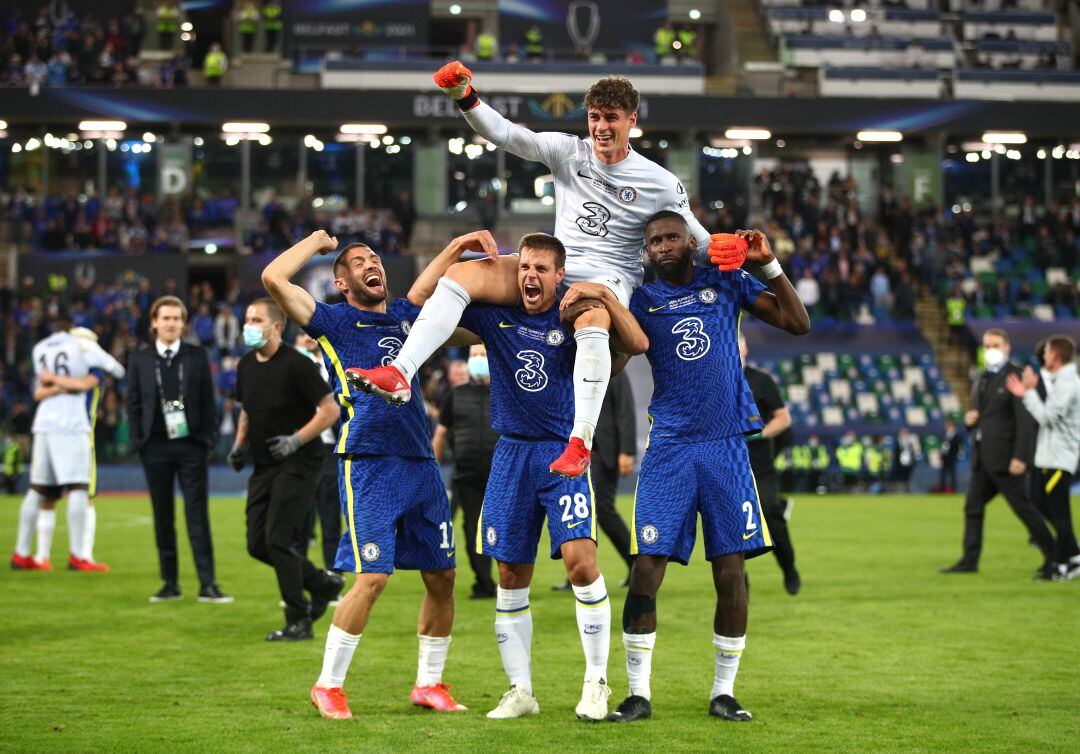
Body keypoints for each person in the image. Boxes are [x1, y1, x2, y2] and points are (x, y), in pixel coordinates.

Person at [349, 67, 711, 482]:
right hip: (556, 267)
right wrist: (466, 96)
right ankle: (400, 372)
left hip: (610, 279)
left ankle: (580, 442)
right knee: (464, 275)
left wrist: (735, 251)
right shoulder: (568, 152)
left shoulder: (659, 181)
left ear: (632, 120)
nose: (601, 127)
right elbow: (505, 133)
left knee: (591, 318)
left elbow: (695, 238)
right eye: (594, 116)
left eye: (611, 117)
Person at [401, 231, 647, 721]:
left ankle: (596, 681)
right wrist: (453, 253)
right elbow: (422, 301)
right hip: (510, 456)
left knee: (582, 564)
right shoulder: (495, 317)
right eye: (525, 268)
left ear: (561, 276)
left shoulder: (576, 320)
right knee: (510, 576)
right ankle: (521, 691)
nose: (530, 276)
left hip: (562, 456)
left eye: (541, 269)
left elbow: (634, 345)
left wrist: (601, 295)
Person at [262, 230, 476, 720]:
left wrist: (456, 246)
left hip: (421, 464)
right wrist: (316, 242)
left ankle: (428, 683)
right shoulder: (333, 321)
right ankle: (328, 686)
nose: (370, 264)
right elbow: (274, 278)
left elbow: (426, 288)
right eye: (358, 262)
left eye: (375, 257)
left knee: (442, 576)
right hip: (369, 465)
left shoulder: (404, 317)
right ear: (341, 282)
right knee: (373, 576)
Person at [609, 213, 809, 724]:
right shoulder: (640, 301)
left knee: (731, 573)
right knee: (646, 568)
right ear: (646, 251)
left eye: (671, 236)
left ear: (690, 240)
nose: (663, 246)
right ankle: (637, 693)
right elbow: (612, 357)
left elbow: (796, 322)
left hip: (727, 447)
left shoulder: (724, 281)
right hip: (670, 448)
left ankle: (724, 692)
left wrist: (768, 266)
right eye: (654, 241)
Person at [229, 298, 343, 641]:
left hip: (300, 461)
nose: (249, 324)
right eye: (247, 318)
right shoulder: (246, 365)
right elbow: (247, 409)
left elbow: (329, 410)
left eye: (257, 319)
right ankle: (322, 582)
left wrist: (296, 440)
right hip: (264, 464)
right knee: (256, 544)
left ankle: (299, 619)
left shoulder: (297, 364)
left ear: (276, 327)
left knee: (277, 540)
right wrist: (240, 443)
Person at [128, 296, 231, 603]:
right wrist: (139, 441)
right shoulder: (140, 358)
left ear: (183, 324)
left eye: (176, 318)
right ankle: (169, 583)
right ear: (154, 323)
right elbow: (133, 402)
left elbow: (207, 399)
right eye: (166, 318)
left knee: (197, 515)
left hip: (191, 446)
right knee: (162, 517)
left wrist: (207, 439)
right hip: (155, 446)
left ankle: (208, 584)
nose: (171, 323)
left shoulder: (197, 355)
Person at [10, 315, 125, 573]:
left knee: (39, 489)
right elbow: (112, 372)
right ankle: (76, 555)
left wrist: (55, 381)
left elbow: (42, 390)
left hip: (45, 425)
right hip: (73, 429)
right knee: (78, 489)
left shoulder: (43, 351)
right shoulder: (86, 355)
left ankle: (25, 553)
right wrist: (67, 385)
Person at [940, 329, 1057, 579]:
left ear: (1007, 347)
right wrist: (970, 421)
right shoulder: (981, 377)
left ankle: (1055, 557)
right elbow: (979, 414)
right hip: (983, 457)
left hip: (1006, 458)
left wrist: (1020, 457)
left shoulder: (1014, 375)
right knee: (972, 507)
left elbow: (1024, 421)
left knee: (1024, 509)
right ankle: (969, 560)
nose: (989, 349)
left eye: (994, 344)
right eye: (986, 345)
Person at [554, 368, 637, 590]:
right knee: (576, 513)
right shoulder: (569, 366)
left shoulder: (614, 366)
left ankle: (637, 565)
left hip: (603, 452)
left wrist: (627, 450)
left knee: (603, 511)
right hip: (573, 453)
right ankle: (577, 572)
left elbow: (625, 409)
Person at [1005, 334, 1080, 580]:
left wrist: (1027, 393)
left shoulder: (1069, 383)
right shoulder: (1061, 381)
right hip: (1049, 456)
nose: (1043, 357)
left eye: (1046, 353)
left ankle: (1062, 564)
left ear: (1056, 356)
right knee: (1040, 502)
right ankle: (1074, 555)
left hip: (1061, 456)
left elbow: (1047, 417)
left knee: (1058, 512)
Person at [433, 343, 499, 600]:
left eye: (483, 354)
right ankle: (484, 582)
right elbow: (441, 433)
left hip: (502, 475)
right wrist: (431, 467)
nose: (479, 359)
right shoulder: (455, 395)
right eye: (474, 355)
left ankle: (510, 579)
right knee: (473, 529)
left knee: (506, 528)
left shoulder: (505, 391)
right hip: (467, 474)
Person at [741, 334, 800, 596]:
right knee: (731, 527)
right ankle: (739, 584)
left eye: (737, 343)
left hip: (761, 464)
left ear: (746, 347)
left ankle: (789, 567)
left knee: (771, 514)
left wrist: (761, 433)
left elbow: (783, 418)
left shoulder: (761, 380)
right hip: (729, 465)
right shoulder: (714, 379)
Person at [295, 332, 342, 572]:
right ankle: (298, 580)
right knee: (300, 522)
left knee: (331, 518)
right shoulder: (291, 373)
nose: (307, 338)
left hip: (330, 450)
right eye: (302, 334)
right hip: (301, 450)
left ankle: (333, 578)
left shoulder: (333, 368)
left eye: (310, 334)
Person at [938, 419, 962, 493]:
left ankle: (953, 489)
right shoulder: (945, 434)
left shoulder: (956, 435)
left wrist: (954, 455)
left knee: (952, 473)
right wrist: (941, 455)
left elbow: (957, 447)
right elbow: (943, 446)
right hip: (945, 457)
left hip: (952, 457)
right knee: (943, 473)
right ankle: (942, 488)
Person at [894, 427, 918, 492]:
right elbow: (896, 454)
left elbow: (913, 453)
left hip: (909, 464)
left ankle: (908, 490)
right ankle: (901, 490)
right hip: (900, 464)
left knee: (908, 478)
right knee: (901, 478)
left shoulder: (910, 443)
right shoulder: (898, 442)